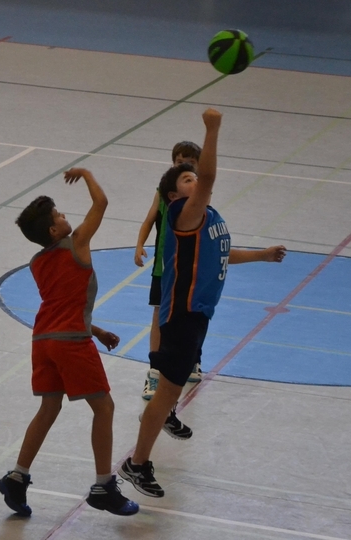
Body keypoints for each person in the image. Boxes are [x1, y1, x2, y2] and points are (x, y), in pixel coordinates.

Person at [119, 109, 287, 498]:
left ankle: (149, 439)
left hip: (199, 316)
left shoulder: (207, 216)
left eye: (194, 176)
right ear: (173, 196)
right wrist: (212, 130)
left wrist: (261, 255)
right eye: (186, 178)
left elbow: (220, 253)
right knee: (165, 393)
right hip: (183, 315)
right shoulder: (184, 213)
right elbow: (209, 177)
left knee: (169, 393)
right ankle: (136, 463)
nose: (195, 179)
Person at [0, 168, 138, 517]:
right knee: (104, 407)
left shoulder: (37, 262)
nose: (64, 217)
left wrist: (97, 331)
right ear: (53, 230)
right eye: (59, 215)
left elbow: (61, 305)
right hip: (70, 341)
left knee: (49, 408)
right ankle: (103, 486)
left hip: (43, 339)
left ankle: (17, 477)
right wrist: (87, 174)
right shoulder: (77, 243)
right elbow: (101, 203)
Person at [133, 141, 201, 441]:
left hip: (192, 270)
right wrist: (139, 244)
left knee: (192, 315)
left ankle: (193, 359)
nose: (183, 165)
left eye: (190, 162)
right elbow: (150, 219)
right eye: (179, 161)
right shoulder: (163, 194)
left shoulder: (200, 200)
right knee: (159, 316)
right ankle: (154, 372)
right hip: (165, 268)